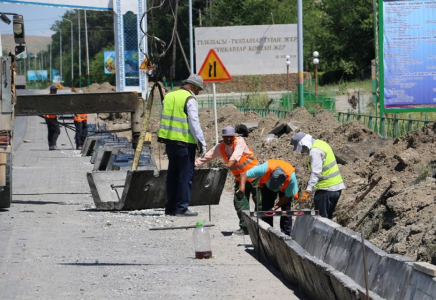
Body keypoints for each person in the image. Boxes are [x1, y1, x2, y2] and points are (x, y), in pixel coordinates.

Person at [195, 126, 260, 236]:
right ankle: (246, 228)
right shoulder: (220, 147)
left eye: (231, 137)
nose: (228, 139)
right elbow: (206, 157)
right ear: (223, 137)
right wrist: (192, 166)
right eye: (226, 137)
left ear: (234, 136)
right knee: (239, 202)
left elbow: (236, 155)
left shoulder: (240, 141)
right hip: (240, 179)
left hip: (256, 176)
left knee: (260, 203)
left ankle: (261, 227)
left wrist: (229, 163)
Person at [157, 74, 207, 217]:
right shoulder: (189, 99)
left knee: (172, 175)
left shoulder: (169, 96)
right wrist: (201, 142)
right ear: (193, 86)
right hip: (185, 144)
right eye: (198, 89)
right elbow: (194, 122)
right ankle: (182, 208)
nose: (198, 92)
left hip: (170, 142)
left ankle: (170, 208)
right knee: (186, 176)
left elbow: (163, 117)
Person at [290, 131, 345, 219]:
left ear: (303, 144)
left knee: (321, 220)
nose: (303, 151)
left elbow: (315, 173)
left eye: (302, 148)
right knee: (328, 220)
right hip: (336, 188)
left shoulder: (315, 151)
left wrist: (308, 190)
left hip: (326, 189)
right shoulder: (321, 143)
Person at [240, 159, 299, 236]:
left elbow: (287, 197)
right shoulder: (264, 168)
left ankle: (286, 234)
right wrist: (242, 188)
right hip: (267, 187)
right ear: (271, 174)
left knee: (286, 210)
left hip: (284, 189)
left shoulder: (291, 179)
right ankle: (268, 232)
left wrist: (274, 208)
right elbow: (244, 174)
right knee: (267, 209)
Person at [44, 85, 61, 151]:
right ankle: (53, 144)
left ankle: (51, 145)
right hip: (50, 117)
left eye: (56, 90)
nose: (55, 91)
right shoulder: (49, 98)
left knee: (51, 131)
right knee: (57, 130)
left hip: (52, 117)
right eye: (54, 90)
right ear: (51, 91)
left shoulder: (54, 97)